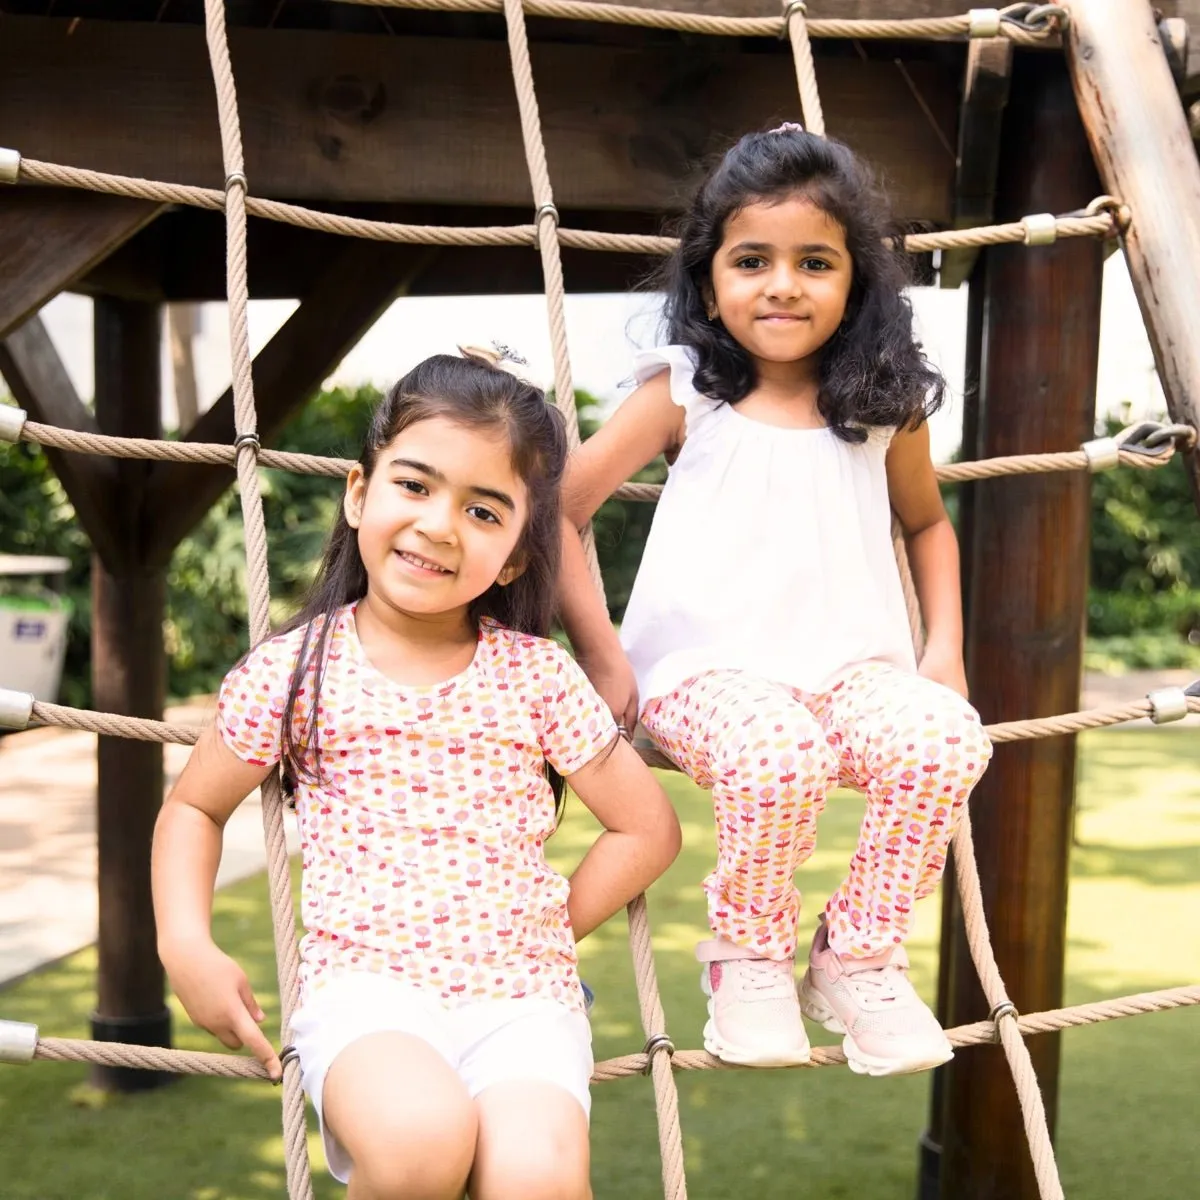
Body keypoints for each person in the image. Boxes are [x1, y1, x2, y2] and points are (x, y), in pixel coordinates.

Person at [152, 350, 681, 1200]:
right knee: (421, 1140)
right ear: (359, 492)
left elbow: (648, 827)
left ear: (514, 557)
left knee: (538, 1178)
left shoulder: (536, 676)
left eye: (483, 510)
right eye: (415, 486)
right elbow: (192, 808)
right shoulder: (297, 671)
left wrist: (542, 930)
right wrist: (185, 943)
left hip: (522, 1001)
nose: (440, 525)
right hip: (368, 995)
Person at [557, 126, 992, 1077]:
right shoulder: (688, 393)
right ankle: (748, 954)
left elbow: (927, 526)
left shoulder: (883, 409)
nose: (783, 284)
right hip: (704, 675)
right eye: (752, 260)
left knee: (948, 739)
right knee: (779, 755)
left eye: (815, 262)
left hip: (849, 673)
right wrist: (602, 655)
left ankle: (856, 952)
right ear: (710, 278)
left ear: (855, 282)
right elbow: (562, 509)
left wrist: (944, 652)